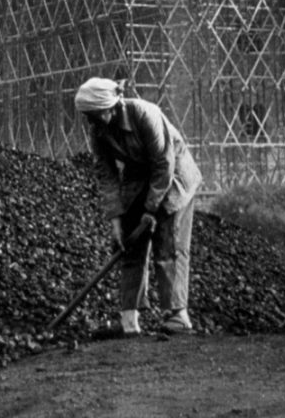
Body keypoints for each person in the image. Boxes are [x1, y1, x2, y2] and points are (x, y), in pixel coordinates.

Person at [74, 77, 202, 336]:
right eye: (88, 117)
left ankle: (178, 315)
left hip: (174, 176)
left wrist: (151, 211)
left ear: (110, 107)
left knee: (169, 244)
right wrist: (116, 221)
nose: (91, 123)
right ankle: (129, 320)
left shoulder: (145, 114)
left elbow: (163, 164)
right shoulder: (99, 130)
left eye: (95, 116)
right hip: (139, 177)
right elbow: (106, 174)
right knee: (128, 247)